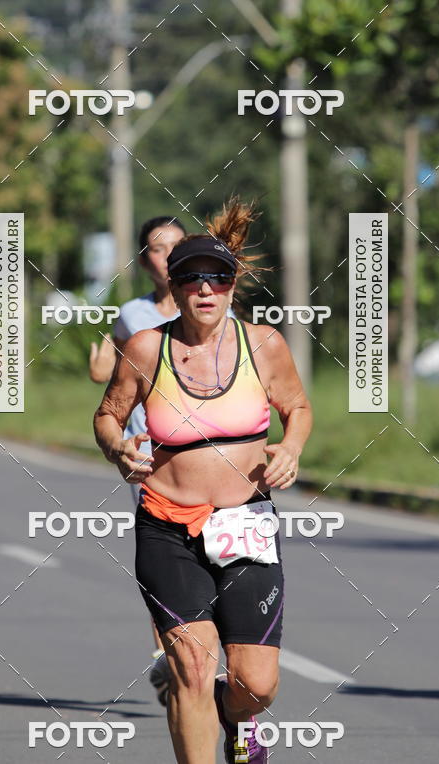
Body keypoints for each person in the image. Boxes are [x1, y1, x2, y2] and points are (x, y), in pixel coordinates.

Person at [94, 198, 312, 764]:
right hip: (168, 524)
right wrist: (117, 447)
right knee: (192, 662)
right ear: (176, 285)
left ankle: (237, 721)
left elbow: (298, 407)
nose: (205, 289)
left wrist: (290, 446)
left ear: (233, 285)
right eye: (192, 279)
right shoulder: (146, 347)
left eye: (217, 278)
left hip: (245, 522)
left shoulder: (263, 345)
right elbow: (108, 413)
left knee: (255, 684)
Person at [90, 215, 187, 706]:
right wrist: (98, 368)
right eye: (155, 247)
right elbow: (112, 370)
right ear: (144, 259)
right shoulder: (132, 313)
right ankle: (167, 653)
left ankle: (204, 644)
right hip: (146, 451)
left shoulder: (214, 305)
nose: (167, 255)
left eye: (176, 245)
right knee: (164, 552)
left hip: (204, 453)